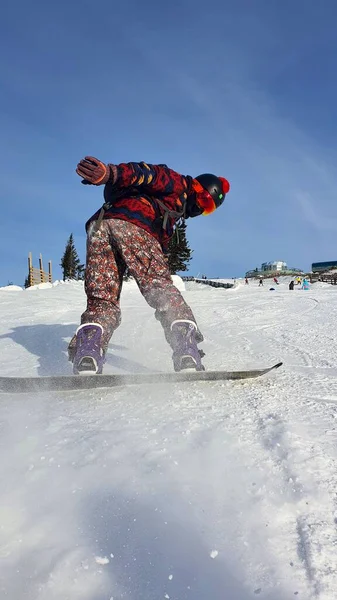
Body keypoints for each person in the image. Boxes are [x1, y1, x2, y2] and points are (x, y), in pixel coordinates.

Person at [68, 157, 230, 374]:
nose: (200, 208)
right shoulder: (178, 183)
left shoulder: (171, 211)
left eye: (208, 208)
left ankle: (88, 353)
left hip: (100, 226)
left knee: (102, 297)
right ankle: (186, 352)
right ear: (197, 188)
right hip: (133, 224)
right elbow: (146, 173)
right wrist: (111, 174)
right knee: (161, 289)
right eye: (203, 200)